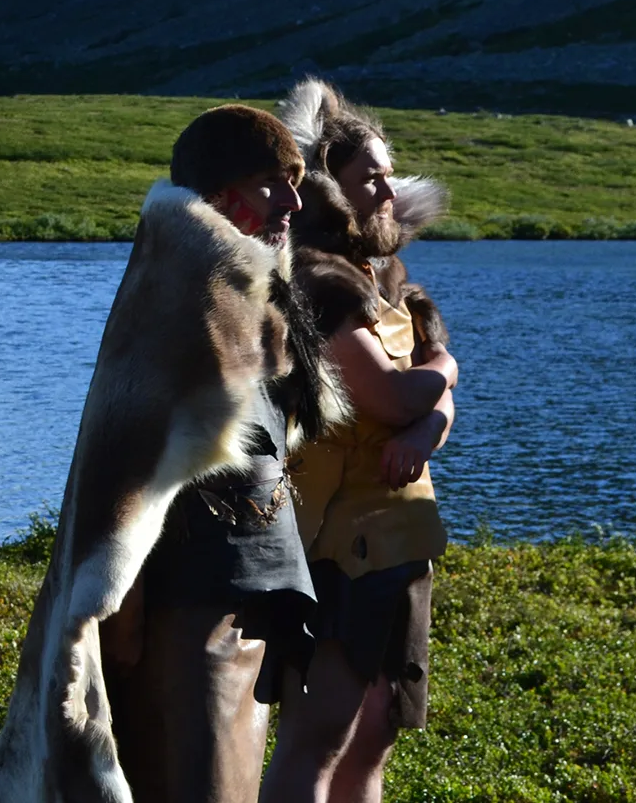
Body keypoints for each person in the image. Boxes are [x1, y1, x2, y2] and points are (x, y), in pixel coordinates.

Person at [0, 105, 346, 803]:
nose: (294, 202)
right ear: (220, 189)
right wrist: (122, 606)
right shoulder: (181, 284)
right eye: (273, 181)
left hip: (240, 598)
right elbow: (125, 464)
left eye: (295, 181)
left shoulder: (236, 276)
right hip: (188, 606)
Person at [261, 80, 456, 803]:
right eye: (368, 176)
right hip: (339, 542)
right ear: (327, 187)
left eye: (387, 172)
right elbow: (392, 394)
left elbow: (428, 403)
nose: (386, 188)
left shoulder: (384, 276)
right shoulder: (320, 280)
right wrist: (442, 373)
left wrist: (432, 424)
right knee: (319, 737)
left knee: (373, 734)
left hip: (399, 537)